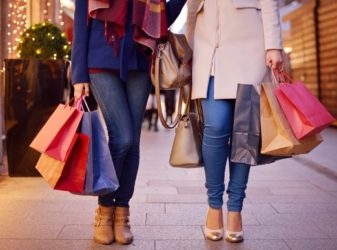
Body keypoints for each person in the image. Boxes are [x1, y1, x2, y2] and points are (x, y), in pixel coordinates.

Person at [71, 0, 186, 245]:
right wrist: (78, 74)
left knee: (132, 141)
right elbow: (81, 18)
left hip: (141, 59)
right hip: (100, 57)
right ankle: (104, 210)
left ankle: (122, 213)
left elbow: (165, 16)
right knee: (121, 137)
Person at [186, 0, 283, 243]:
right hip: (208, 51)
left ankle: (235, 208)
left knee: (245, 132)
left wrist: (274, 46)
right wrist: (185, 49)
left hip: (249, 48)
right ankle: (214, 205)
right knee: (215, 126)